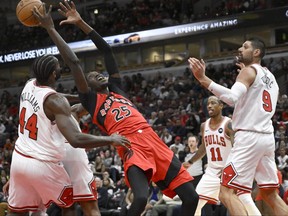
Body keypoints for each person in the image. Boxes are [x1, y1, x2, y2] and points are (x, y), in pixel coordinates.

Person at [39, 1, 198, 215]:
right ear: (90, 87)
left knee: (191, 197)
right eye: (93, 76)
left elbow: (107, 50)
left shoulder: (118, 90)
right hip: (131, 144)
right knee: (141, 198)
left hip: (153, 140)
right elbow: (75, 63)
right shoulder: (91, 101)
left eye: (99, 72)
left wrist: (81, 23)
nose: (98, 73)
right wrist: (51, 29)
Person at [8, 8, 130, 216]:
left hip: (23, 158)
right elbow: (73, 64)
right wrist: (110, 139)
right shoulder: (62, 104)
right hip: (55, 157)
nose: (96, 75)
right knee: (74, 206)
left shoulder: (30, 85)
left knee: (22, 211)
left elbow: (63, 98)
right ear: (55, 74)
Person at [188, 38, 288, 215]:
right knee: (270, 194)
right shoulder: (270, 77)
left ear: (256, 52)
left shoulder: (249, 72)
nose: (240, 49)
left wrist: (203, 79)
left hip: (248, 138)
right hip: (266, 138)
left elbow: (231, 98)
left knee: (225, 192)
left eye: (246, 47)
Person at [183, 96, 261, 215]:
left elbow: (237, 149)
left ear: (221, 106)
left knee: (245, 200)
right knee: (196, 202)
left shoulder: (228, 124)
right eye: (208, 103)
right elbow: (204, 147)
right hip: (212, 172)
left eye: (213, 103)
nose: (209, 106)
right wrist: (190, 162)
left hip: (229, 171)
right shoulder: (204, 126)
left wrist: (231, 169)